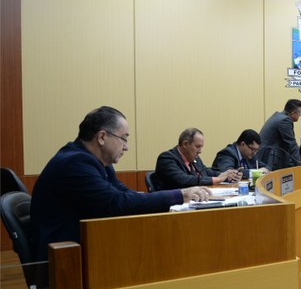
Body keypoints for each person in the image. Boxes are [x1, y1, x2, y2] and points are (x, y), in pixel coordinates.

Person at [30, 106, 210, 263]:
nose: (126, 147)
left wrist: (146, 198)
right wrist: (180, 195)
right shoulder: (75, 163)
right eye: (123, 138)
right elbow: (117, 203)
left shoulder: (97, 161)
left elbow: (123, 193)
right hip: (66, 256)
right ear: (102, 137)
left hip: (87, 244)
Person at [154, 128, 241, 190]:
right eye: (197, 147)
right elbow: (183, 180)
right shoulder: (166, 158)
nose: (200, 151)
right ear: (185, 144)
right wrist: (217, 179)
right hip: (173, 204)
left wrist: (226, 176)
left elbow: (206, 172)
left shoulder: (194, 158)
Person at [256, 99, 301, 170]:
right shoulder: (285, 121)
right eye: (299, 112)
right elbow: (291, 144)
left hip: (265, 156)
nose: (300, 115)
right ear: (293, 113)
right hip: (269, 159)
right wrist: (300, 165)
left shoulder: (278, 116)